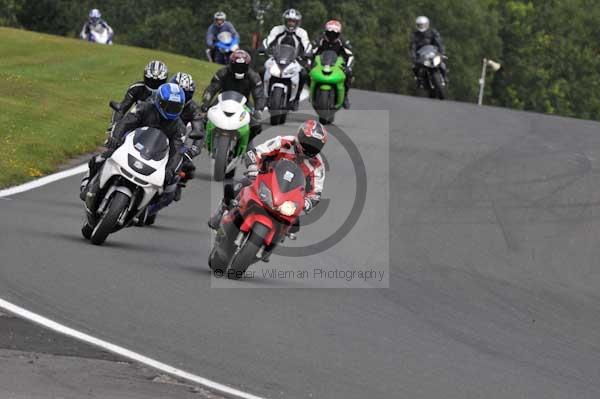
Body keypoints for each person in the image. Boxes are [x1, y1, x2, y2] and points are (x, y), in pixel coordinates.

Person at [208, 119, 328, 262]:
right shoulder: (284, 142)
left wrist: (307, 202)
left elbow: (316, 191)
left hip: (288, 197)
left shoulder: (317, 164)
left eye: (316, 146)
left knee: (295, 224)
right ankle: (222, 209)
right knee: (239, 185)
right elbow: (256, 152)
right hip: (263, 180)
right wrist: (253, 168)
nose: (311, 148)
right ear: (300, 136)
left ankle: (274, 242)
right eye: (309, 143)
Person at [81, 83, 187, 202]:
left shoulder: (179, 128)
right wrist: (115, 137)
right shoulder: (143, 107)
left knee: (167, 188)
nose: (171, 110)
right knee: (99, 159)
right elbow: (125, 122)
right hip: (130, 146)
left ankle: (148, 210)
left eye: (175, 107)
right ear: (160, 101)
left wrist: (170, 170)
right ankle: (88, 183)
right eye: (169, 106)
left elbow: (177, 151)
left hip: (156, 159)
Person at [201, 49, 265, 141]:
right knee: (204, 118)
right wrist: (205, 103)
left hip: (244, 103)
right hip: (221, 101)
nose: (239, 68)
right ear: (231, 64)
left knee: (256, 125)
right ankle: (203, 140)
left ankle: (247, 145)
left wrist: (259, 109)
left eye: (242, 66)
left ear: (247, 65)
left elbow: (259, 95)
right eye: (237, 66)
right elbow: (211, 88)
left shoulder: (253, 76)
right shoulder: (222, 72)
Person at [263, 9, 311, 110]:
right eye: (289, 20)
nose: (291, 23)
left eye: (293, 21)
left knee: (303, 74)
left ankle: (296, 99)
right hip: (276, 58)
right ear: (285, 20)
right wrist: (264, 47)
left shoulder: (302, 32)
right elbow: (269, 39)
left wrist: (307, 53)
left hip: (294, 60)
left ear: (298, 22)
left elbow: (307, 44)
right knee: (262, 70)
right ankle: (262, 96)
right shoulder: (277, 29)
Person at [170, 72, 204, 200]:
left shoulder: (193, 108)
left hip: (177, 140)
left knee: (188, 167)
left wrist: (194, 149)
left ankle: (178, 183)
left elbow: (199, 129)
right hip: (155, 132)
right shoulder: (159, 97)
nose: (180, 96)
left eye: (185, 94)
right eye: (178, 92)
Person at [311, 20, 355, 109]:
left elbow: (351, 55)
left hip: (337, 65)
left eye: (334, 34)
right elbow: (311, 51)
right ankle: (310, 91)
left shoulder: (343, 41)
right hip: (320, 63)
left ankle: (345, 96)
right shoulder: (320, 39)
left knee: (349, 74)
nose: (331, 36)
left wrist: (348, 67)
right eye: (329, 33)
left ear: (339, 33)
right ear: (325, 31)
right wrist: (309, 61)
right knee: (306, 72)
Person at [409, 16, 447, 86]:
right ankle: (418, 79)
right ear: (417, 25)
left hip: (433, 53)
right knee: (414, 67)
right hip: (421, 55)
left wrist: (442, 52)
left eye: (423, 25)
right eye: (419, 25)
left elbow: (439, 42)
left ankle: (444, 78)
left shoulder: (433, 32)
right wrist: (413, 56)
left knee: (442, 64)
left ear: (427, 24)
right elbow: (412, 47)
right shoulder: (414, 35)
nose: (421, 26)